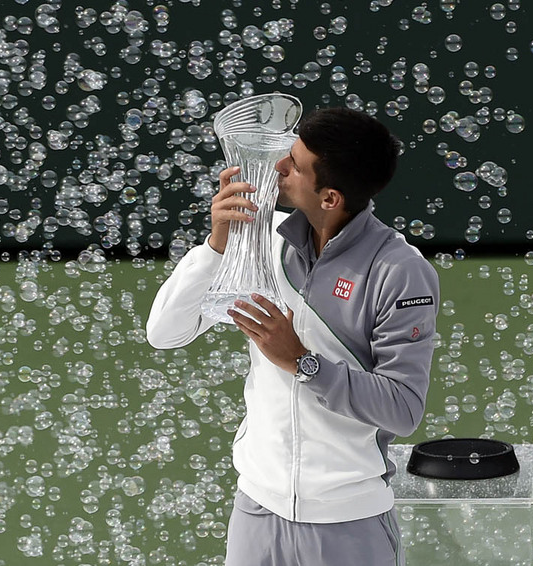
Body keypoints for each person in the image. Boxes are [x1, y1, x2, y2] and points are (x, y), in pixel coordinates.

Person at [146, 107, 439, 566]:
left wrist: (303, 361)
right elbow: (166, 332)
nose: (279, 166)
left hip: (350, 523)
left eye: (296, 165)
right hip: (255, 511)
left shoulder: (399, 272)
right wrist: (216, 245)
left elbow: (402, 409)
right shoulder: (262, 244)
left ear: (330, 198)